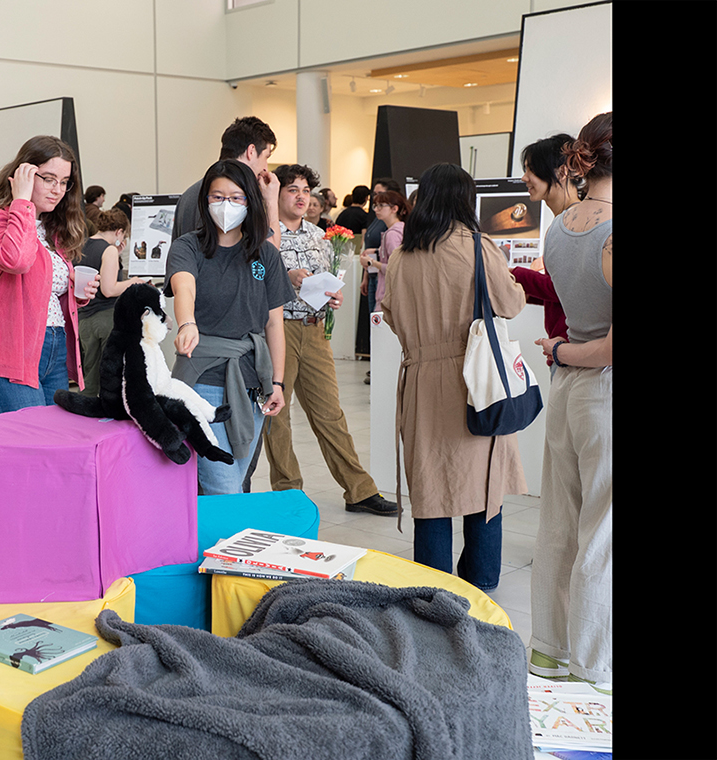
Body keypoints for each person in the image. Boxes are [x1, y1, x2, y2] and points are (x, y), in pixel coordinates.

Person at [379, 162, 528, 590]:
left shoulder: (403, 257)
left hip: (422, 380)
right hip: (474, 379)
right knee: (482, 484)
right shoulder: (477, 247)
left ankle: (432, 586)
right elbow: (511, 303)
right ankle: (479, 580)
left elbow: (391, 316)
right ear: (465, 200)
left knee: (430, 487)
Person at [249, 164, 398, 516]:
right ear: (276, 194)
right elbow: (254, 276)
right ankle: (288, 492)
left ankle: (359, 490)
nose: (301, 196)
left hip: (315, 329)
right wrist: (286, 276)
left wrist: (333, 296)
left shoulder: (320, 236)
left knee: (330, 413)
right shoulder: (261, 234)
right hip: (277, 330)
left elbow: (327, 277)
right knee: (278, 417)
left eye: (305, 190)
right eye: (293, 190)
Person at [528, 112, 612, 690]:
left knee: (560, 522)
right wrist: (565, 351)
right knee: (602, 532)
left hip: (568, 393)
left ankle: (549, 650)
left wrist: (560, 350)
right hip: (602, 390)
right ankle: (594, 663)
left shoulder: (559, 230)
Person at [167, 160, 292, 495]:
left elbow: (274, 322)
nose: (226, 206)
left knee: (236, 480)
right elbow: (184, 287)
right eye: (217, 197)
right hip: (203, 378)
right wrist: (187, 322)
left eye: (236, 198)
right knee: (223, 485)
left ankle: (211, 546)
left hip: (253, 382)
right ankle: (222, 546)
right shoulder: (188, 247)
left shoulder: (265, 254)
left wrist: (277, 382)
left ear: (249, 202)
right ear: (204, 201)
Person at [0, 135, 100, 417]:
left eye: (64, 182)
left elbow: (40, 291)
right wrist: (21, 200)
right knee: (27, 449)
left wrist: (76, 293)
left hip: (52, 350)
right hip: (4, 353)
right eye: (48, 178)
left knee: (52, 449)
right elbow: (16, 260)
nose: (57, 189)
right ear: (25, 173)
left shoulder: (52, 231)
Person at [513, 133, 581, 374]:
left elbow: (562, 289)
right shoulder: (565, 220)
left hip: (572, 353)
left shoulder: (572, 222)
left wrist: (514, 274)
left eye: (532, 170)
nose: (525, 178)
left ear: (561, 172)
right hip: (564, 351)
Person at [171, 116, 280, 247]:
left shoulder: (188, 195)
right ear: (251, 151)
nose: (265, 168)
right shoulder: (244, 196)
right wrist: (271, 200)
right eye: (266, 157)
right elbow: (269, 253)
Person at [76, 209, 148, 396]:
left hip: (84, 319)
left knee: (89, 377)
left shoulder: (82, 245)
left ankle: (86, 417)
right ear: (119, 232)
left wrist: (117, 254)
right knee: (110, 376)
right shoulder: (108, 250)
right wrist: (134, 282)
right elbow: (109, 289)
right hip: (106, 319)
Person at [359, 189, 411, 307]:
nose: (376, 210)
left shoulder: (392, 234)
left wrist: (371, 262)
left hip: (389, 296)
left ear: (394, 209)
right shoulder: (398, 230)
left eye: (381, 206)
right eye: (375, 206)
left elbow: (396, 268)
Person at [361, 178, 399, 315]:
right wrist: (366, 275)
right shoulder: (378, 220)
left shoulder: (393, 231)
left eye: (380, 194)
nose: (376, 198)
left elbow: (394, 264)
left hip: (382, 276)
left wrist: (371, 261)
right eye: (374, 194)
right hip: (374, 274)